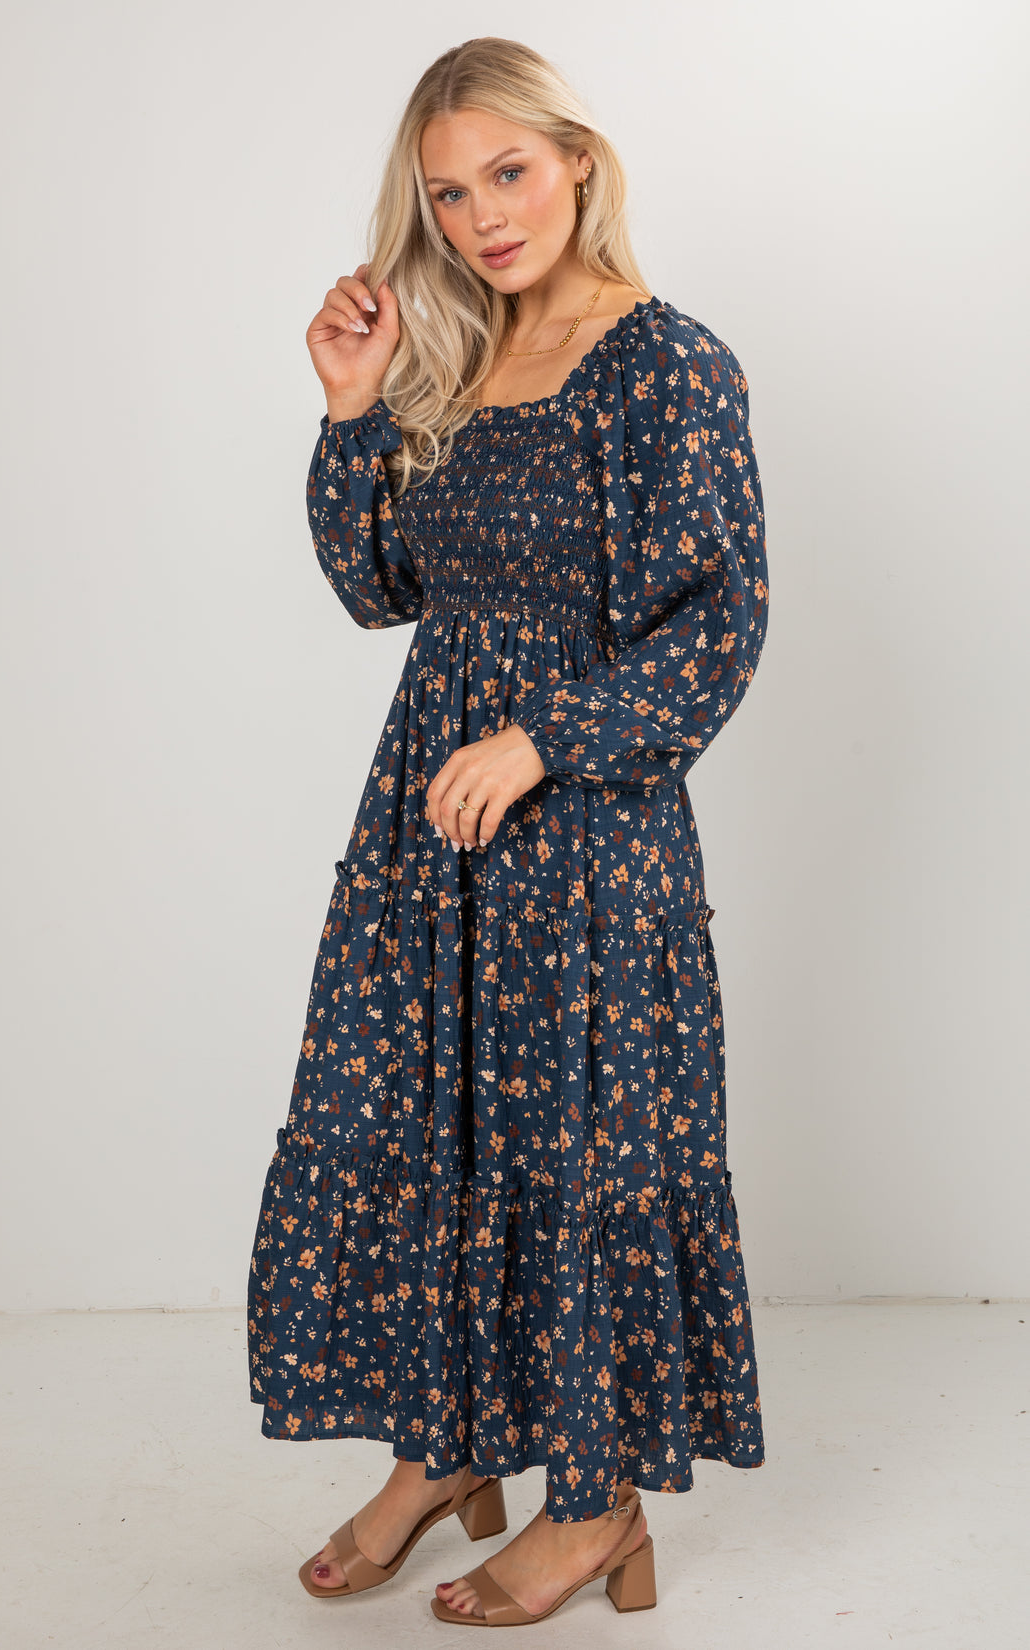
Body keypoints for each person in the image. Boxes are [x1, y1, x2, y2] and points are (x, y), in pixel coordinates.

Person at [246, 34, 768, 1627]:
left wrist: (545, 739)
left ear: (581, 162)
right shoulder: (462, 362)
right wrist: (350, 413)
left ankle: (596, 1506)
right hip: (433, 838)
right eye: (449, 191)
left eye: (509, 174)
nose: (483, 218)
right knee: (426, 1128)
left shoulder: (670, 363)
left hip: (584, 847)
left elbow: (717, 627)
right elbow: (383, 591)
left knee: (578, 1149)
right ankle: (445, 1449)